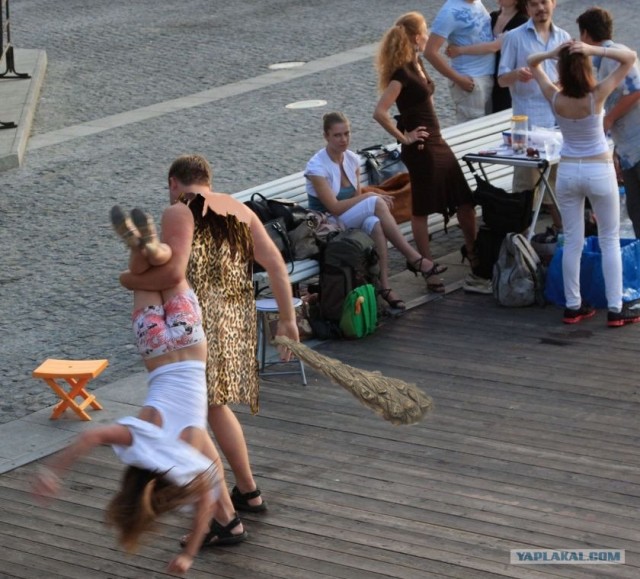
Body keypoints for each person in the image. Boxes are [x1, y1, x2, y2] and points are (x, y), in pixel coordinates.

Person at [33, 204, 247, 574]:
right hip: (155, 348)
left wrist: (188, 555)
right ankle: (147, 245)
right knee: (146, 271)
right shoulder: (139, 442)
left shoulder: (189, 461)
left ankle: (150, 246)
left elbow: (208, 504)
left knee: (165, 277)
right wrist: (53, 472)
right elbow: (90, 437)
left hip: (190, 345)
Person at [122, 154, 299, 515]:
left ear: (174, 183)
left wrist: (129, 281)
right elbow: (276, 264)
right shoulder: (238, 208)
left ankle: (223, 512)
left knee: (197, 413)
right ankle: (247, 492)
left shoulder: (179, 209)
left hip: (197, 320)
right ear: (208, 179)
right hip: (235, 319)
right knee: (215, 408)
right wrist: (287, 320)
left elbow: (173, 273)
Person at [528, 40, 640, 327]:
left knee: (573, 241)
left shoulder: (555, 97)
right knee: (610, 239)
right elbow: (630, 57)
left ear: (562, 70)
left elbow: (532, 62)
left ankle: (573, 306)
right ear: (586, 66)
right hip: (598, 170)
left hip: (568, 172)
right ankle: (616, 308)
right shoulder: (596, 95)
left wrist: (552, 53)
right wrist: (595, 50)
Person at [373, 12, 478, 293]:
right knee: (421, 208)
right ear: (417, 36)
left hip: (437, 142)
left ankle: (473, 250)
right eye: (425, 31)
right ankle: (427, 266)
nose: (429, 34)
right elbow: (380, 112)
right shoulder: (401, 73)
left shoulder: (417, 63)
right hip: (421, 149)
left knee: (464, 200)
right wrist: (404, 137)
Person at [305, 111, 447, 304]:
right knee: (376, 201)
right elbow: (335, 208)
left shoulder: (351, 159)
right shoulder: (317, 167)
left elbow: (355, 200)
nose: (343, 139)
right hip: (327, 226)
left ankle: (385, 286)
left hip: (345, 220)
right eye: (337, 135)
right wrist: (370, 195)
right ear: (326, 136)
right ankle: (415, 259)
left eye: (346, 133)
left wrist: (367, 197)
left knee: (375, 223)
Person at [497, 0, 568, 230]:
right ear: (527, 9)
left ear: (553, 4)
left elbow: (572, 80)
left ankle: (564, 238)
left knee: (559, 189)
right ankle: (522, 244)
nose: (540, 8)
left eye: (544, 2)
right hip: (528, 127)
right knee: (526, 191)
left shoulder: (564, 37)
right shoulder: (514, 37)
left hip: (558, 125)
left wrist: (563, 84)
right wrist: (516, 74)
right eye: (534, 4)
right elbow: (500, 80)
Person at [577, 6, 640, 239]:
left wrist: (609, 118)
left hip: (637, 144)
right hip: (628, 150)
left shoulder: (615, 54)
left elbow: (636, 90)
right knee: (635, 213)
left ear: (585, 34)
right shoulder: (605, 60)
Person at [445, 0, 528, 112]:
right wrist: (454, 43)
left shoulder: (522, 20)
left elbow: (494, 46)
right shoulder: (493, 16)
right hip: (488, 75)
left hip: (507, 78)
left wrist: (460, 50)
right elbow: (475, 38)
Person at [424, 0, 495, 122]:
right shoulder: (449, 12)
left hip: (489, 76)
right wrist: (458, 79)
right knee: (474, 134)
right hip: (472, 82)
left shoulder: (477, 2)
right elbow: (430, 52)